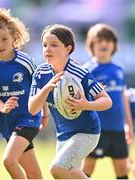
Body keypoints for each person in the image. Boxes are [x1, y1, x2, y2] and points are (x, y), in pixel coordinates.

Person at [28, 24, 112, 179]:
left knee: (57, 169)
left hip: (87, 132)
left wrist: (85, 104)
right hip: (63, 135)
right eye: (45, 45)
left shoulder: (79, 73)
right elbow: (32, 109)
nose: (48, 49)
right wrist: (46, 88)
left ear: (68, 48)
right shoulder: (40, 74)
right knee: (64, 175)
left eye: (54, 45)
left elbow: (106, 101)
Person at [0, 6, 49, 179]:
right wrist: (3, 108)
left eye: (4, 39)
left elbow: (40, 88)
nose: (0, 44)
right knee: (34, 175)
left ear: (14, 38)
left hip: (29, 117)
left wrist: (45, 112)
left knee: (9, 160)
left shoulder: (25, 62)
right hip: (7, 122)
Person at [82, 23, 133, 179]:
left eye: (108, 40)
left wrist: (129, 124)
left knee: (123, 170)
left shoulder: (118, 69)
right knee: (87, 169)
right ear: (92, 45)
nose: (104, 43)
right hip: (96, 130)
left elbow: (123, 96)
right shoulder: (88, 70)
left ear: (114, 45)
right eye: (99, 40)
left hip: (118, 129)